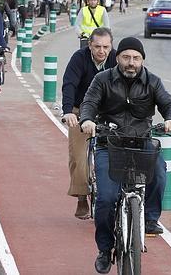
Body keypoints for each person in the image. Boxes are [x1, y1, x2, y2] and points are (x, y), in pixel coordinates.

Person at [79, 37, 171, 274]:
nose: (131, 63)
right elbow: (89, 103)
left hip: (141, 141)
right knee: (105, 199)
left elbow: (169, 104)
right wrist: (86, 120)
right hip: (108, 143)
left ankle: (149, 220)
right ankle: (105, 250)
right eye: (126, 57)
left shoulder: (152, 82)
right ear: (118, 58)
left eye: (136, 58)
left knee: (159, 172)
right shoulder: (102, 80)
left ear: (142, 60)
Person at [61, 28, 117, 220]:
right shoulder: (79, 58)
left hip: (107, 112)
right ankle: (82, 196)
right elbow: (69, 84)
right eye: (97, 47)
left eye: (106, 47)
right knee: (78, 155)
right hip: (79, 110)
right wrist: (68, 111)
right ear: (90, 45)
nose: (101, 51)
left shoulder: (117, 60)